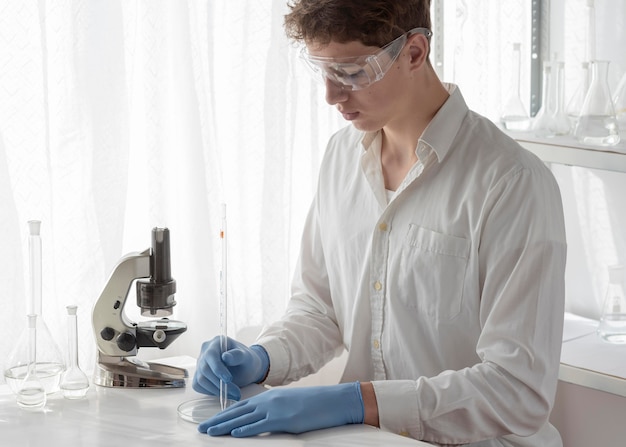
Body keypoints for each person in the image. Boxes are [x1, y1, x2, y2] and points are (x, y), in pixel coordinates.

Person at [192, 1, 567, 446]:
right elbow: (321, 309)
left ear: (413, 52)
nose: (331, 95)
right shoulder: (340, 158)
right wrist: (262, 356)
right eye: (322, 71)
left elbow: (516, 391)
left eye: (351, 73)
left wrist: (357, 400)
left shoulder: (511, 183)